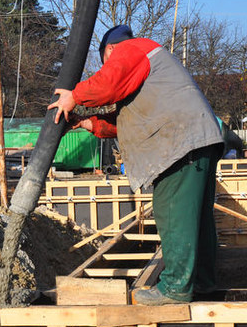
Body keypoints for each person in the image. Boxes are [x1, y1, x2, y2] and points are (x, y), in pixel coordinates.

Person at [48, 24, 224, 306]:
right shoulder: (150, 64)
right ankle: (200, 283)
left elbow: (107, 84)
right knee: (196, 221)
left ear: (109, 51)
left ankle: (175, 289)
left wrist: (74, 96)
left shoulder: (130, 49)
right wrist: (87, 122)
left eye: (107, 62)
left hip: (179, 145)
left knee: (173, 215)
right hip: (197, 141)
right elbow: (128, 120)